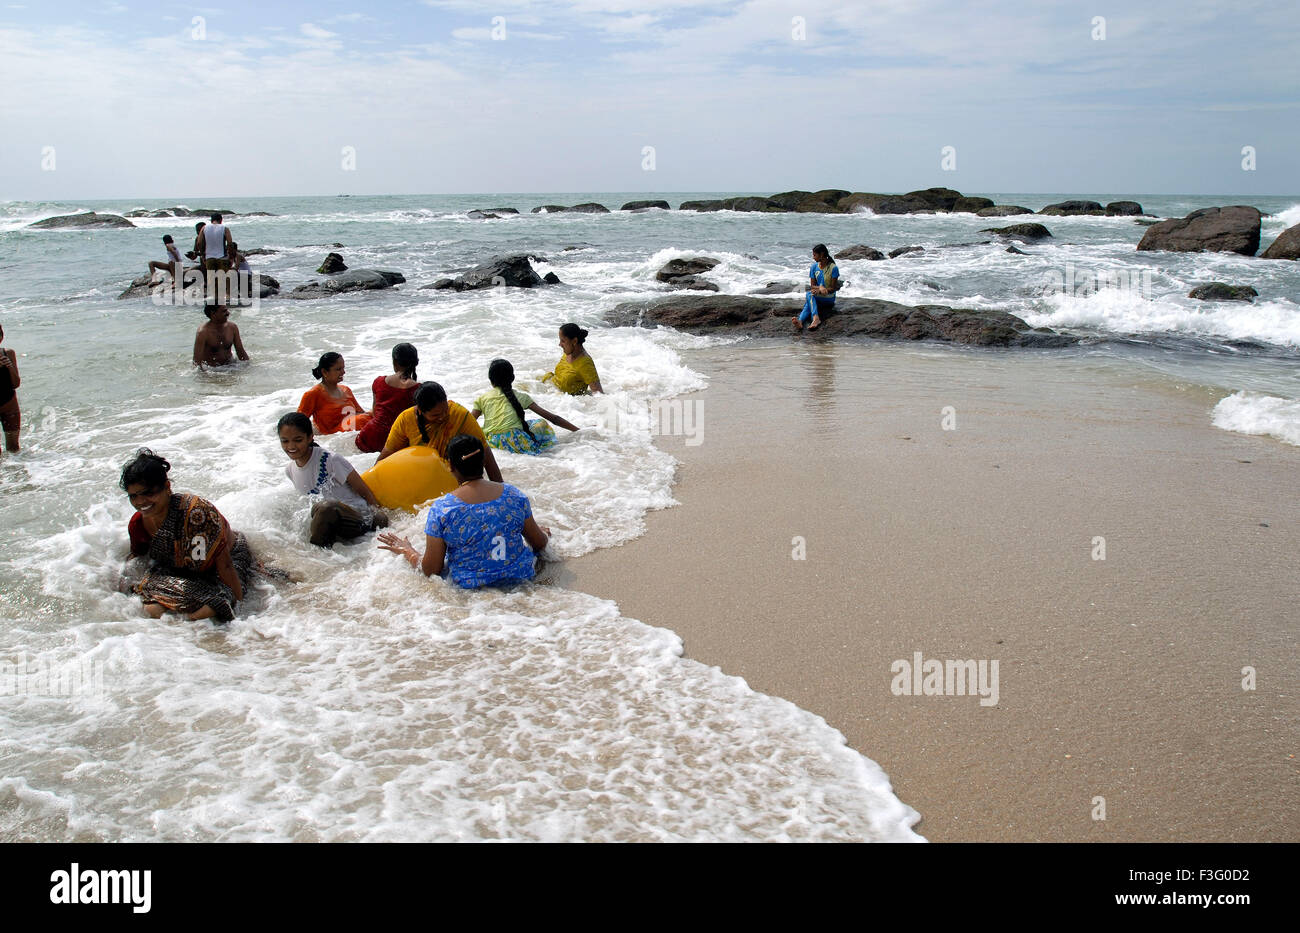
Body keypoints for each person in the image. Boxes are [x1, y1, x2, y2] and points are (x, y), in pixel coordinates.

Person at [377, 434, 549, 588]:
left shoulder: (443, 508)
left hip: (471, 592)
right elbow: (539, 544)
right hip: (521, 580)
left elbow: (431, 570)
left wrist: (408, 551)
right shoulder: (513, 495)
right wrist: (542, 533)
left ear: (451, 466)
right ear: (483, 461)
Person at [120, 448, 254, 622]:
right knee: (151, 609)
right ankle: (185, 623)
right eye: (133, 496)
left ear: (167, 487)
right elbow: (138, 555)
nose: (140, 502)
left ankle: (189, 620)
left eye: (148, 493)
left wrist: (240, 614)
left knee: (217, 605)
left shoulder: (198, 515)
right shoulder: (138, 524)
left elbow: (226, 566)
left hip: (224, 564)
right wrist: (120, 581)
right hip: (179, 570)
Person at [276, 412, 388, 548]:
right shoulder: (290, 470)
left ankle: (315, 552)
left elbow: (363, 490)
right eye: (285, 441)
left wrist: (379, 517)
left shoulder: (331, 460)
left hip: (358, 520)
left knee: (326, 507)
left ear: (310, 437)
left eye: (298, 440)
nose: (291, 446)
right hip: (328, 522)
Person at [376, 382, 503, 482]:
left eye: (445, 411)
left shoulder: (459, 415)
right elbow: (388, 454)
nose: (442, 417)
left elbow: (484, 451)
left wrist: (500, 488)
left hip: (451, 478)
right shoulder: (406, 420)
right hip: (418, 477)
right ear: (420, 411)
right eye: (435, 415)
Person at [473, 358, 578, 455]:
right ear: (512, 378)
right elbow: (553, 418)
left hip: (493, 443)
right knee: (540, 423)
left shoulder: (482, 398)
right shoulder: (522, 397)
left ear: (491, 380)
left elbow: (468, 422)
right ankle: (548, 451)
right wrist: (578, 431)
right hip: (517, 442)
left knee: (482, 429)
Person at [355, 343, 420, 453]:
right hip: (395, 442)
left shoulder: (379, 381)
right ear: (416, 363)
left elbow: (375, 412)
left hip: (368, 437)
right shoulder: (419, 390)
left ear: (394, 362)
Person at [298, 352, 370, 434]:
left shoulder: (346, 390)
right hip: (333, 436)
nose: (343, 372)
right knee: (360, 420)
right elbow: (298, 423)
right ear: (324, 372)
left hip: (349, 433)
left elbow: (361, 412)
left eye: (343, 368)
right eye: (338, 369)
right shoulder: (313, 394)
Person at [542, 323, 602, 395]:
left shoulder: (585, 363)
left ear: (574, 341)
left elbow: (599, 394)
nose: (560, 344)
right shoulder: (568, 353)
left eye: (563, 341)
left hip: (561, 399)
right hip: (548, 388)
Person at [793, 244, 841, 332]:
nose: (813, 257)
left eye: (815, 255)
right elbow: (812, 286)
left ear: (821, 254)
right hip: (818, 296)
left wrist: (824, 290)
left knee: (809, 295)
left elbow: (833, 288)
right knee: (809, 300)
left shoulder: (833, 268)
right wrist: (820, 288)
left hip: (829, 297)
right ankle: (800, 321)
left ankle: (815, 318)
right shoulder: (814, 267)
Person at [0, 323, 20, 455]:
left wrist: (10, 367)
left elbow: (16, 384)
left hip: (9, 404)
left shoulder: (8, 353)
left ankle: (17, 468)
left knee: (14, 447)